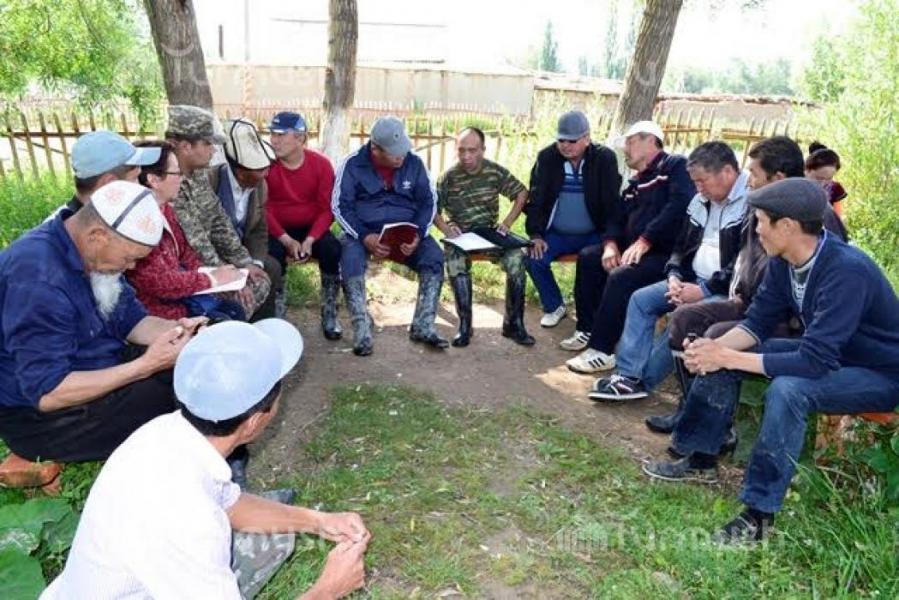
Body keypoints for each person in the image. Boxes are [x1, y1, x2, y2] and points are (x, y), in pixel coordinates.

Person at [642, 178, 899, 544]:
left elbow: (813, 362)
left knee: (789, 389)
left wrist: (727, 356)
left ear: (788, 226)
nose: (756, 229)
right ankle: (701, 458)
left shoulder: (847, 270)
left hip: (880, 373)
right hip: (831, 357)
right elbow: (757, 323)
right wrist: (712, 351)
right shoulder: (784, 261)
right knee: (721, 349)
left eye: (762, 221)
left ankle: (759, 514)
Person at [42, 319, 372, 599]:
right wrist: (327, 590)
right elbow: (196, 519)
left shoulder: (165, 432)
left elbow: (229, 503)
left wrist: (318, 521)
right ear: (254, 422)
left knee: (273, 539)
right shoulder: (191, 520)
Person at [642, 136, 848, 431]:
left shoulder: (813, 216)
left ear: (777, 178)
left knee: (716, 333)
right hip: (752, 302)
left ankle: (713, 429)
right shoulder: (763, 206)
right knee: (685, 319)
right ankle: (690, 412)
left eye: (753, 173)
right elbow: (747, 261)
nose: (748, 180)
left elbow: (816, 289)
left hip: (789, 319)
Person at [0, 181, 205, 462]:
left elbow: (131, 321)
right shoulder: (38, 279)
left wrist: (181, 331)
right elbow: (48, 393)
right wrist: (145, 366)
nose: (131, 267)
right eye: (129, 257)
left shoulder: (95, 256)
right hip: (43, 420)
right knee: (177, 404)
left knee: (194, 368)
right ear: (97, 236)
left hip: (98, 368)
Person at [584, 141, 749, 396]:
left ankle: (642, 382)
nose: (698, 188)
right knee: (641, 300)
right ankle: (628, 375)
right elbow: (680, 247)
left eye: (702, 181)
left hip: (725, 291)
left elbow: (742, 264)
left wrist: (703, 290)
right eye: (694, 182)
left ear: (727, 172)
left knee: (685, 317)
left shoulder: (750, 204)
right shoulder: (700, 201)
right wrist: (674, 275)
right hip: (690, 280)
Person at [562, 121, 694, 373]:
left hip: (667, 256)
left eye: (630, 142)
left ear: (650, 140)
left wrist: (646, 239)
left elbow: (679, 206)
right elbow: (616, 218)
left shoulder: (674, 166)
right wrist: (611, 244)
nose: (625, 149)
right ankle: (587, 330)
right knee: (590, 257)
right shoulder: (635, 184)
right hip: (635, 251)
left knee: (622, 276)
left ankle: (602, 350)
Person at [332, 115, 448, 356]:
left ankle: (423, 325)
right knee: (349, 255)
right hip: (363, 233)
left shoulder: (415, 163)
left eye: (403, 148)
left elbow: (429, 202)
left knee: (434, 256)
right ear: (375, 149)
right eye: (394, 152)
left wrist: (418, 233)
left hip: (407, 232)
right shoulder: (352, 165)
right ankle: (362, 328)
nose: (401, 155)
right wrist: (364, 236)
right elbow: (340, 207)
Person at [166, 105, 275, 321]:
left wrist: (244, 262)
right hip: (183, 273)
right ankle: (219, 329)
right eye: (207, 143)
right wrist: (222, 278)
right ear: (185, 147)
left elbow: (218, 222)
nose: (214, 151)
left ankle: (233, 327)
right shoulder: (166, 180)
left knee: (259, 280)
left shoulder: (197, 174)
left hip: (206, 266)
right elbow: (195, 241)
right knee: (236, 301)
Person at [434, 126, 534, 347]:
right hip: (461, 236)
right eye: (461, 150)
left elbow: (521, 192)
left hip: (489, 234)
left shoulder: (494, 172)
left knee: (517, 258)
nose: (466, 156)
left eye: (472, 150)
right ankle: (465, 325)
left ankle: (513, 324)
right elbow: (433, 210)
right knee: (454, 260)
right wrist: (447, 229)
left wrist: (508, 222)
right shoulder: (448, 177)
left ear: (483, 150)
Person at [524, 110, 621, 328]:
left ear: (586, 138)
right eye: (561, 140)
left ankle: (596, 313)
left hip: (594, 234)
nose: (565, 146)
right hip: (558, 234)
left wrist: (611, 241)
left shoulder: (604, 158)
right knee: (533, 258)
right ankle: (554, 306)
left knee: (598, 262)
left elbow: (612, 205)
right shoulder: (547, 158)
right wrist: (536, 234)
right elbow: (537, 199)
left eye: (572, 141)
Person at [126, 141, 245, 320]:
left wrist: (212, 274)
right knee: (227, 318)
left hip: (183, 300)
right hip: (159, 314)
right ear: (154, 180)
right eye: (176, 173)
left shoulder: (166, 210)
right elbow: (159, 282)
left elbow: (186, 253)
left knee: (233, 309)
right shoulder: (140, 223)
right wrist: (211, 279)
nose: (181, 179)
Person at [266, 111, 343, 336]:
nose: (274, 140)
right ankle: (277, 314)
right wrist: (286, 240)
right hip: (278, 230)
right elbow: (262, 208)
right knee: (272, 254)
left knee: (332, 248)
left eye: (281, 134)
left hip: (311, 229)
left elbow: (327, 209)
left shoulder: (321, 165)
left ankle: (330, 312)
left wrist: (310, 239)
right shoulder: (266, 165)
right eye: (272, 134)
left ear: (300, 138)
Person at [56, 130, 159, 215]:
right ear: (110, 184)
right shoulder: (63, 232)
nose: (142, 187)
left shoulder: (109, 217)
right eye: (135, 178)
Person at [805, 142, 847, 217]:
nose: (823, 183)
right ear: (807, 171)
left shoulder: (834, 188)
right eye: (819, 178)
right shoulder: (794, 187)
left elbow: (837, 215)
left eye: (829, 178)